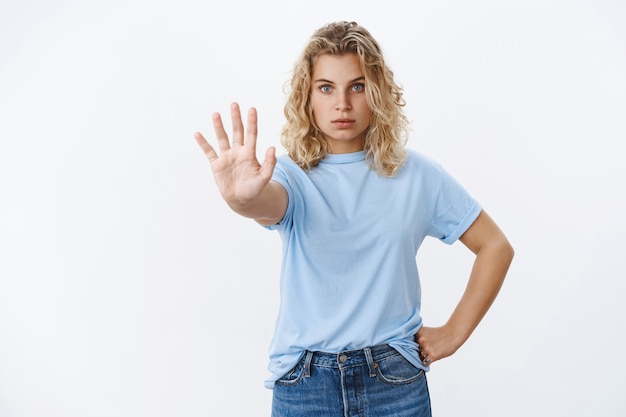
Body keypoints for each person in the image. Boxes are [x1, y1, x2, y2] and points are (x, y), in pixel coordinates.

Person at [195, 21, 513, 417]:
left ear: (376, 92)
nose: (342, 103)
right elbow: (267, 204)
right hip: (305, 385)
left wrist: (454, 332)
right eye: (326, 88)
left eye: (357, 86)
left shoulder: (417, 174)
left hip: (394, 382)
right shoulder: (291, 175)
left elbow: (495, 246)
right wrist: (241, 200)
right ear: (307, 97)